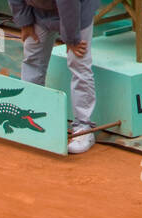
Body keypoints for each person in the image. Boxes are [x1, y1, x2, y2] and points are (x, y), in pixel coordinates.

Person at [8, 0, 101, 153]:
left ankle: (84, 128)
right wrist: (25, 22)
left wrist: (72, 39)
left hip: (77, 12)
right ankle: (29, 117)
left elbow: (68, 4)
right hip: (39, 11)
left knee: (79, 64)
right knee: (32, 59)